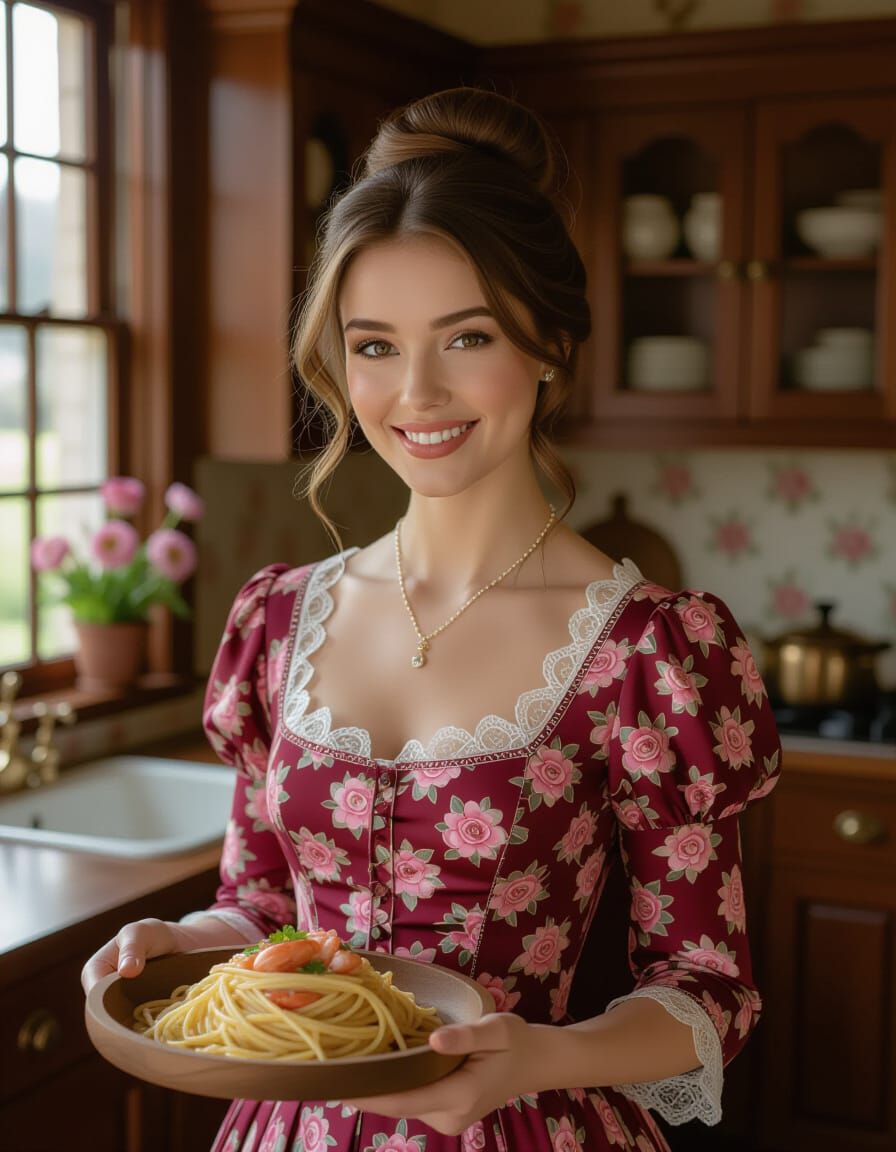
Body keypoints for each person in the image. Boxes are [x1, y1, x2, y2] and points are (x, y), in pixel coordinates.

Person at [82, 86, 782, 1152]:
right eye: (373, 346)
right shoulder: (276, 620)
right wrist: (179, 938)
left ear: (546, 342)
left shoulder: (652, 652)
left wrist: (535, 1057)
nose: (414, 392)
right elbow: (264, 907)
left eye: (466, 337)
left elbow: (706, 992)